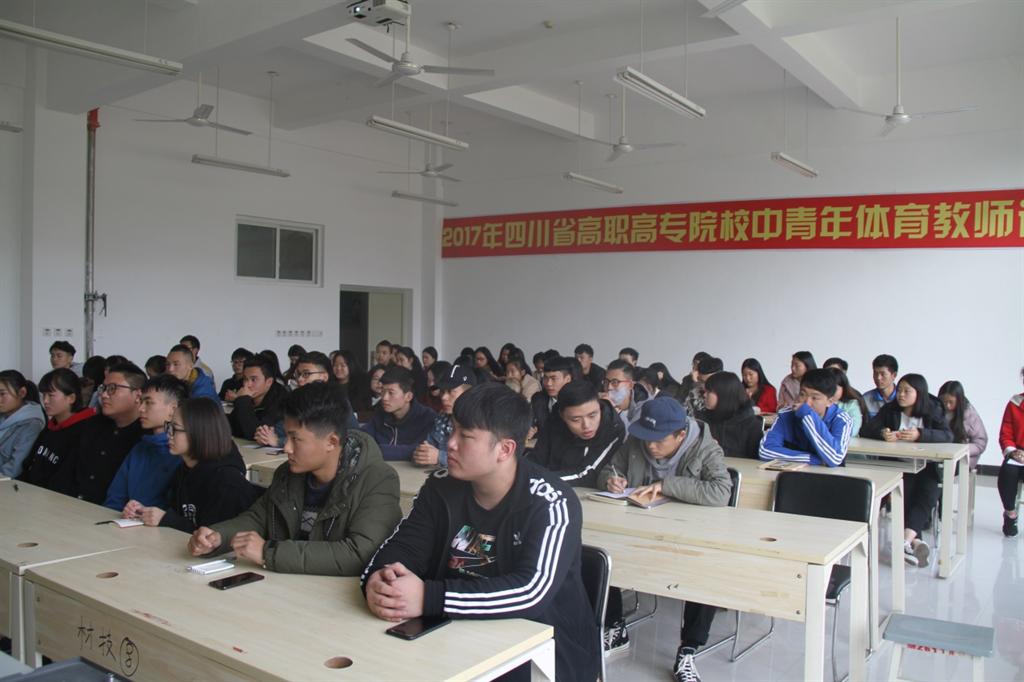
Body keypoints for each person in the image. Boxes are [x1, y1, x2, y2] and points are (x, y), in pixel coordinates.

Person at [362, 383, 600, 682]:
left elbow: (531, 591)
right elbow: (406, 546)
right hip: (454, 632)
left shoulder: (551, 501)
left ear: (505, 449)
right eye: (453, 430)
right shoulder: (440, 487)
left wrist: (429, 597)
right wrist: (380, 580)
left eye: (466, 436)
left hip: (543, 648)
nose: (450, 443)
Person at [190, 382, 402, 575]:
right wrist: (219, 537)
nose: (286, 448)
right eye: (286, 436)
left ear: (331, 442)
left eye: (295, 439)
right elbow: (258, 518)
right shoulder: (288, 473)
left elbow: (360, 554)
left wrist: (268, 552)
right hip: (286, 585)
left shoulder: (377, 480)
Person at [596, 398, 730, 680]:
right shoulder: (638, 440)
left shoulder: (705, 448)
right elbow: (610, 469)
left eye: (659, 440)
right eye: (647, 438)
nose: (650, 446)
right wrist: (610, 480)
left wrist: (667, 485)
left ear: (680, 435)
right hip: (639, 529)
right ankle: (615, 626)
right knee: (602, 551)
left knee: (704, 567)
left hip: (689, 535)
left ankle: (689, 648)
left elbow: (720, 492)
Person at [129, 398, 262, 531]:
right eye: (169, 427)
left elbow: (211, 538)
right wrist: (143, 513)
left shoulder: (228, 484)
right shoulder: (184, 470)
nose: (168, 434)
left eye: (175, 429)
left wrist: (167, 520)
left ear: (199, 432)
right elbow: (180, 517)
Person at [862, 374, 952, 566]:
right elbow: (867, 429)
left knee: (928, 494)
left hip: (928, 467)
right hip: (900, 465)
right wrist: (883, 433)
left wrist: (921, 434)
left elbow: (947, 435)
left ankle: (904, 542)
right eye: (900, 390)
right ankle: (913, 541)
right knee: (905, 494)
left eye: (906, 391)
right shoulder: (891, 409)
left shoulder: (933, 409)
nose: (901, 395)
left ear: (919, 393)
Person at [104, 375, 188, 511]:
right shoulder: (141, 448)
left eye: (148, 402)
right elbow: (115, 498)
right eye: (141, 402)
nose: (141, 408)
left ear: (173, 409)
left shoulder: (183, 454)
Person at [70, 362, 146, 504]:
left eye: (112, 389)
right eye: (103, 388)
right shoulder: (91, 425)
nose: (104, 395)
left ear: (138, 395)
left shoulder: (146, 438)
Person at [530, 380, 624, 488]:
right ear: (562, 416)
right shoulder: (554, 419)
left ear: (599, 406)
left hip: (585, 491)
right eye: (576, 420)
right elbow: (537, 459)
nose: (586, 425)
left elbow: (588, 474)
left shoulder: (613, 427)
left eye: (592, 415)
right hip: (548, 486)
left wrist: (539, 480)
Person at [255, 351, 358, 448]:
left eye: (306, 374)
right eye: (298, 374)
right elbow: (283, 427)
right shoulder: (298, 399)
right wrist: (265, 434)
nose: (299, 379)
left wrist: (278, 441)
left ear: (324, 377)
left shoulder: (334, 401)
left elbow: (318, 439)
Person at [18, 369, 96, 489]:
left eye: (51, 395)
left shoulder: (85, 431)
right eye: (44, 395)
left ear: (71, 398)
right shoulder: (51, 426)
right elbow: (29, 464)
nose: (45, 401)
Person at [759, 368, 853, 467]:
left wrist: (807, 415)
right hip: (792, 474)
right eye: (802, 394)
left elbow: (835, 458)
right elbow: (765, 451)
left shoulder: (842, 420)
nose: (807, 403)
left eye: (815, 398)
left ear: (830, 401)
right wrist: (812, 459)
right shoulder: (786, 414)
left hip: (827, 475)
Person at [362, 366, 437, 461]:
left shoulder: (427, 418)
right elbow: (362, 439)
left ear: (408, 396)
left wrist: (375, 449)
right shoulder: (381, 413)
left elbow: (420, 451)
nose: (384, 398)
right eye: (383, 391)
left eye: (391, 393)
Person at [413, 365, 476, 467]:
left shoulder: (480, 424)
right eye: (442, 391)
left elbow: (476, 463)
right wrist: (422, 454)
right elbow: (428, 447)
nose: (444, 397)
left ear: (469, 394)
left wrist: (440, 457)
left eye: (451, 392)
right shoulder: (442, 420)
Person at [701, 371, 763, 459]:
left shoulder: (752, 425)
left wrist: (718, 450)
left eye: (709, 391)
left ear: (723, 394)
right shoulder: (703, 420)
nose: (704, 395)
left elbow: (754, 461)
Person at [229, 355, 289, 440]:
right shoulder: (248, 397)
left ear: (269, 382)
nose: (247, 385)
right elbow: (231, 427)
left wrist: (243, 401)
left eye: (253, 379)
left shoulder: (281, 402)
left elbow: (256, 435)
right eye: (245, 379)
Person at [0, 371, 45, 478]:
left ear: (22, 393)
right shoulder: (4, 415)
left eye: (2, 394)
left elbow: (14, 468)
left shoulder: (32, 424)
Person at [938, 380, 988, 471]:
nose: (947, 406)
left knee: (942, 470)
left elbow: (980, 443)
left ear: (959, 401)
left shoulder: (969, 414)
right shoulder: (936, 410)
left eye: (951, 402)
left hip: (963, 458)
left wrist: (960, 450)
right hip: (940, 454)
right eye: (944, 402)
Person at [997, 369, 1024, 537]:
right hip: (1018, 453)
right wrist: (1013, 452)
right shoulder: (1015, 403)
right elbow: (1005, 433)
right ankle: (1010, 514)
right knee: (1007, 471)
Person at [530, 355, 577, 438]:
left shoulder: (577, 401)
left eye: (554, 378)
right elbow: (534, 425)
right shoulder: (538, 399)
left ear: (567, 379)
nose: (548, 383)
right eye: (545, 378)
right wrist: (530, 431)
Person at [602, 359, 645, 429]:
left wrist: (616, 410)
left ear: (630, 385)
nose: (609, 387)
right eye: (606, 382)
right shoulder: (601, 402)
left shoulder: (644, 407)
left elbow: (631, 434)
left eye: (615, 382)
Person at [831, 368, 869, 436]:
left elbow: (853, 430)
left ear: (843, 388)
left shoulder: (851, 404)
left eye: (835, 388)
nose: (831, 392)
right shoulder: (818, 403)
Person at [333, 350, 372, 415]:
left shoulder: (361, 386)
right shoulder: (329, 385)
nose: (338, 368)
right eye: (335, 365)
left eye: (343, 365)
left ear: (351, 365)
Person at [863, 354, 899, 419]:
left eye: (883, 374)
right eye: (875, 373)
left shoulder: (902, 397)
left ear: (894, 375)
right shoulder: (865, 399)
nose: (878, 378)